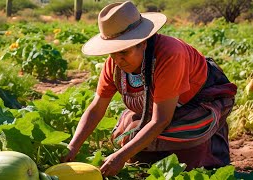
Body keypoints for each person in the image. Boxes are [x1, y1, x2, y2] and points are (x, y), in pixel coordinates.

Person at [62, 1, 237, 177]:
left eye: (123, 52)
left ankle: (210, 154)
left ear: (143, 43)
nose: (118, 59)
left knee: (186, 147)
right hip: (157, 110)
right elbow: (96, 109)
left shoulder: (170, 54)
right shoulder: (113, 65)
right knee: (128, 134)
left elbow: (161, 120)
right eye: (112, 53)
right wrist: (72, 146)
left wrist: (121, 157)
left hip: (196, 104)